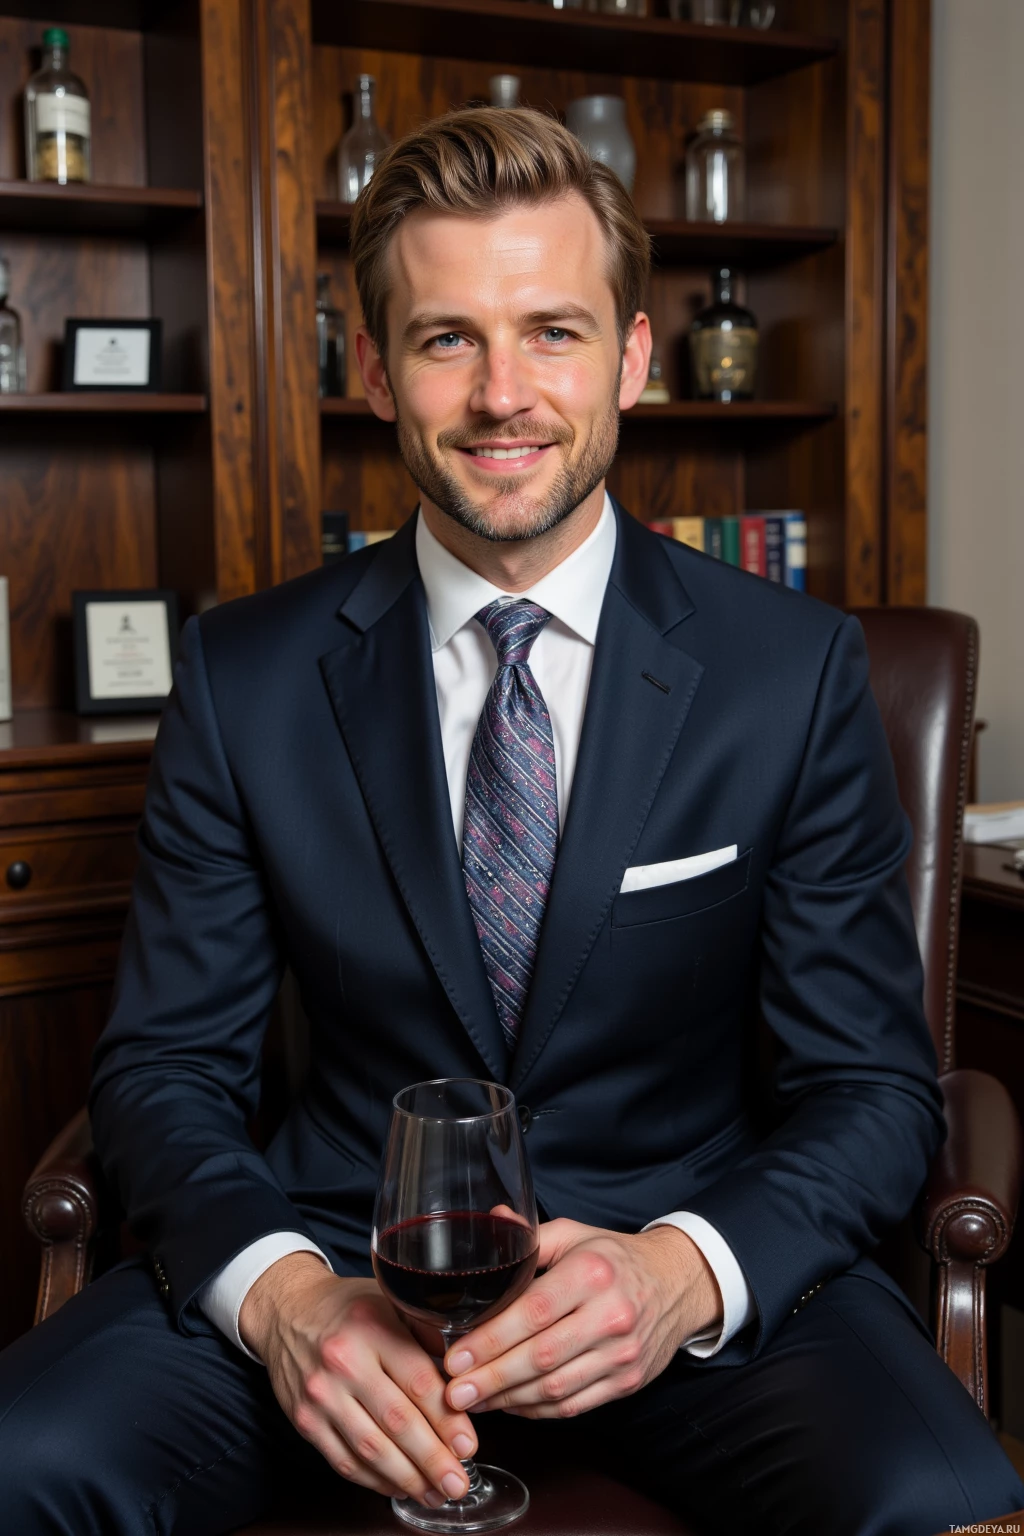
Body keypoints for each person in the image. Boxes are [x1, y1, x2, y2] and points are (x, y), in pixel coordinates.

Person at [0, 107, 1020, 1536]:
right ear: (372, 371)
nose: (503, 396)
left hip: (671, 1286)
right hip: (340, 1284)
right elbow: (166, 1070)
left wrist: (680, 1276)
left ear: (635, 360)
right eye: (445, 339)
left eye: (552, 331)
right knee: (17, 1460)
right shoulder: (244, 678)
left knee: (940, 1497)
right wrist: (286, 1301)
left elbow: (873, 1092)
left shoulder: (792, 674)